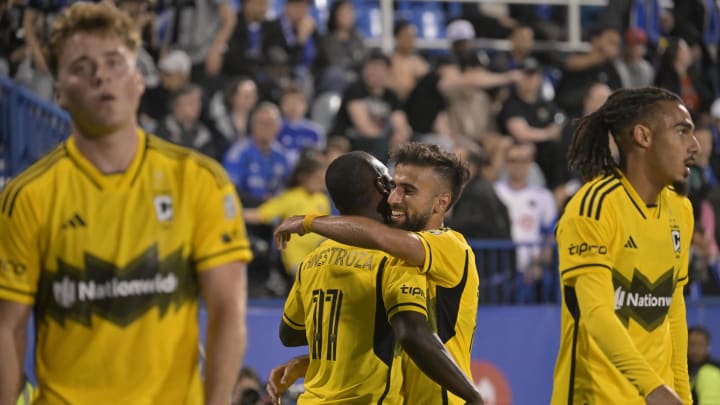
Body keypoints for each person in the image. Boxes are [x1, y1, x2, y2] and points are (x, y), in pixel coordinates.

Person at [0, 3, 252, 404]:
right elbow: (8, 328)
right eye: (81, 66)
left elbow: (227, 311)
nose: (101, 74)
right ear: (59, 91)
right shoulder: (27, 196)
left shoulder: (200, 182)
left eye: (115, 62)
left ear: (138, 79)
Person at [272, 143, 481, 404]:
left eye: (408, 191)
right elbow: (380, 332)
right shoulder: (397, 256)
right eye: (394, 187)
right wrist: (312, 361)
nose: (393, 198)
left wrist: (309, 222)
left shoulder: (450, 246)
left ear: (441, 203)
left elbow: (412, 333)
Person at [551, 87, 699, 405]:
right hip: (595, 396)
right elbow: (597, 313)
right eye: (682, 132)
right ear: (643, 136)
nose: (695, 146)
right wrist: (654, 388)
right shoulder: (593, 207)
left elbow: (673, 311)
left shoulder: (680, 209)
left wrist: (683, 396)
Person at [688, 326, 720, 404]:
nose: (696, 349)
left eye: (700, 345)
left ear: (708, 346)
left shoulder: (710, 371)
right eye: (692, 344)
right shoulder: (685, 370)